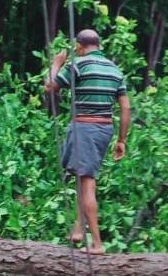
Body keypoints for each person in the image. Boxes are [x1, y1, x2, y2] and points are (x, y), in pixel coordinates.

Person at [44, 29, 130, 254]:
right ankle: (78, 230)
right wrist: (121, 140)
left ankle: (98, 244)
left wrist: (56, 63)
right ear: (98, 45)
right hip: (105, 129)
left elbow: (50, 86)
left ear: (80, 46)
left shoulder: (79, 63)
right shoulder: (115, 69)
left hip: (85, 127)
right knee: (83, 177)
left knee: (87, 182)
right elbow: (125, 107)